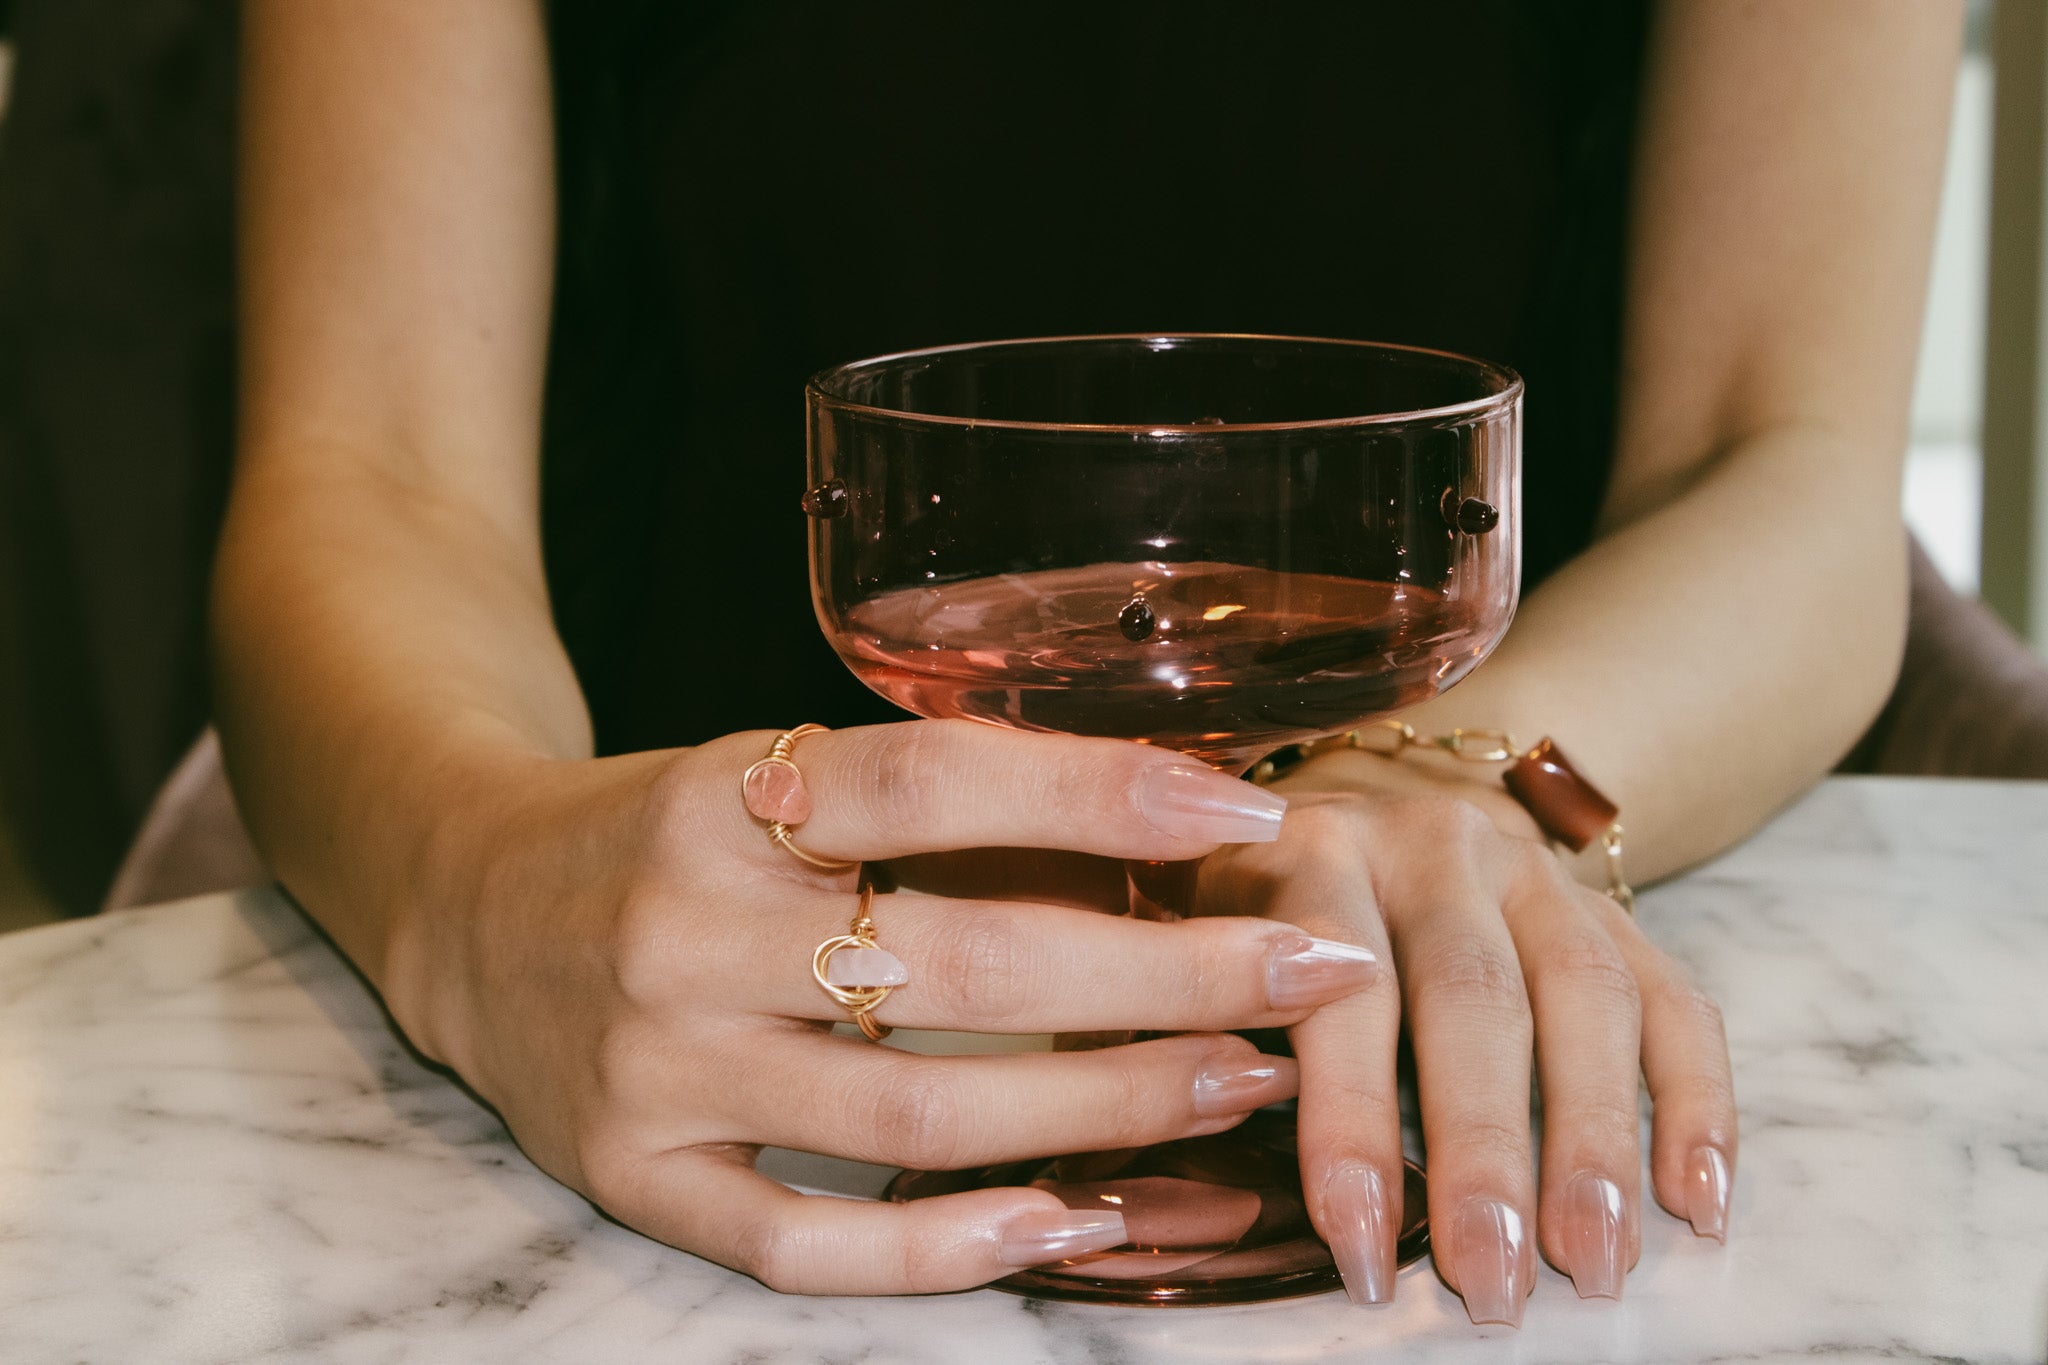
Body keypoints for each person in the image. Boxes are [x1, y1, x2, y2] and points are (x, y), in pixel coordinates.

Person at [217, 0, 1960, 1326]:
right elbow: (373, 471)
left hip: (1481, 746)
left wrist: (1443, 771)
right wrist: (482, 883)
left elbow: (1782, 455)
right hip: (686, 950)